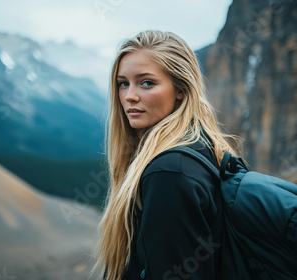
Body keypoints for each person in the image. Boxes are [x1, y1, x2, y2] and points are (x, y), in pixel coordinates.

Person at [94, 30, 240, 280]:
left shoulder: (170, 172)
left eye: (147, 82)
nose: (130, 96)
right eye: (123, 83)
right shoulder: (205, 148)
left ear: (181, 89)